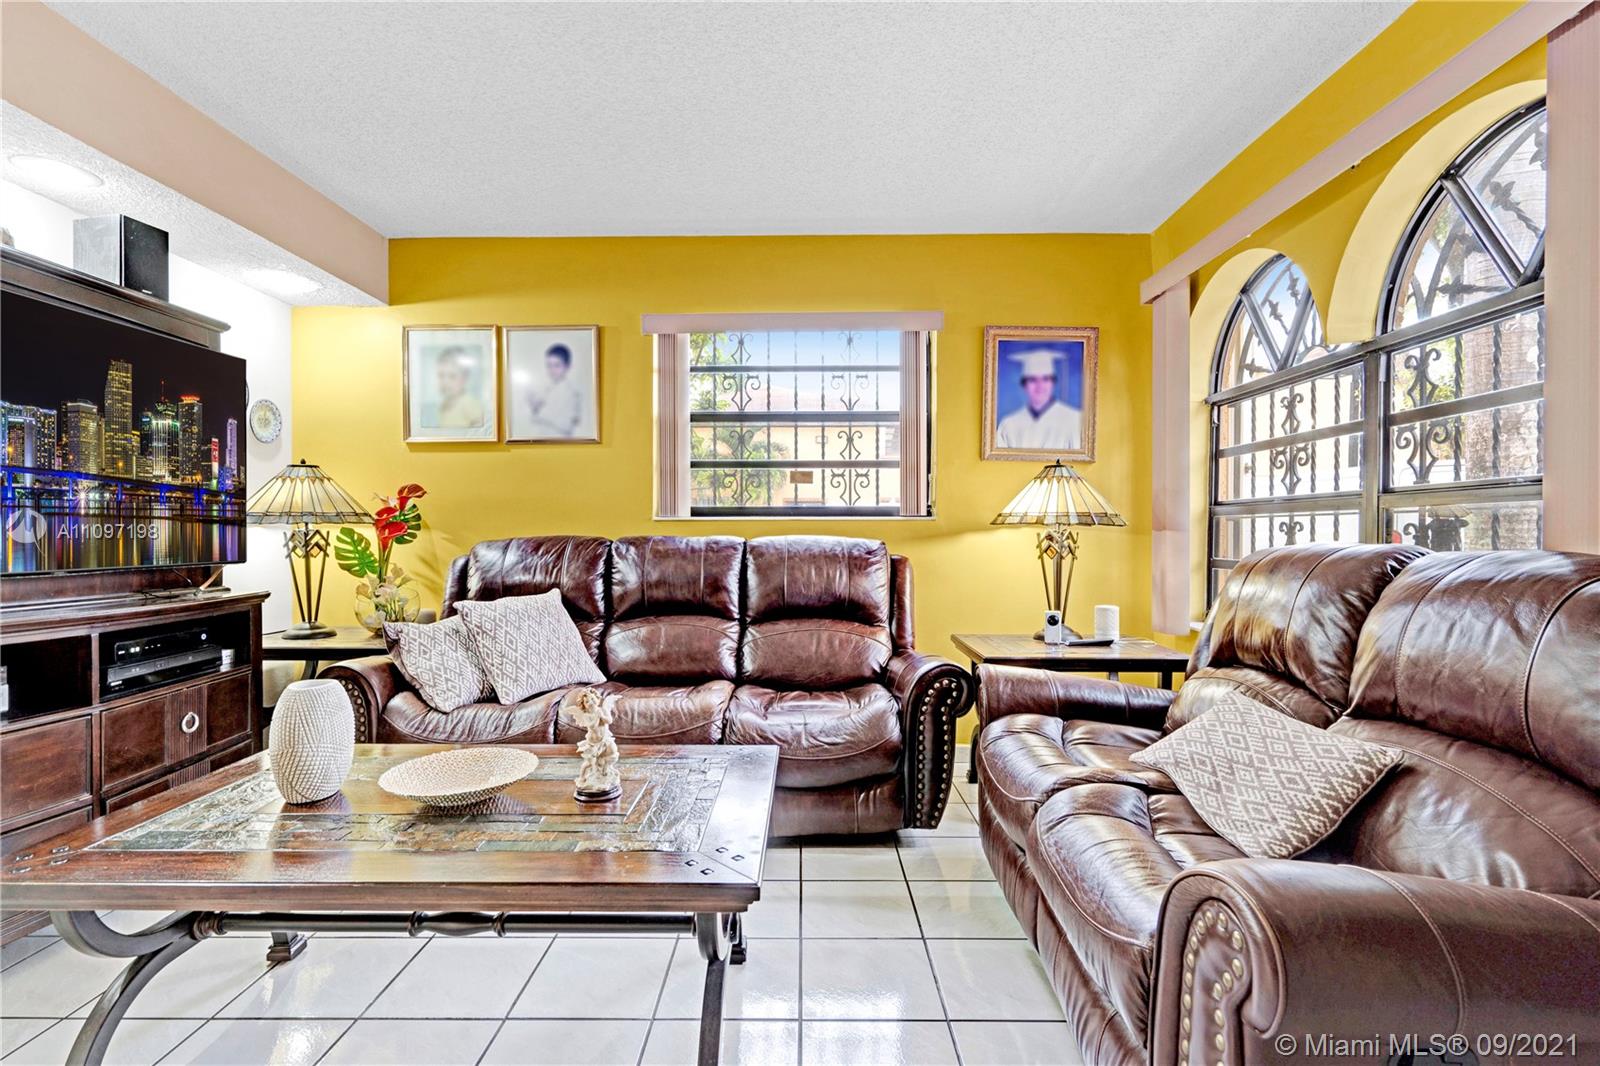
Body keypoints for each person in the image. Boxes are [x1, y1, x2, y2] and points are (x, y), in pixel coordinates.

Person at [995, 348, 1081, 451]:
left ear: (1053, 383)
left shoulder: (1075, 420)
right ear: (1024, 385)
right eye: (1032, 380)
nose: (1039, 385)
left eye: (1045, 379)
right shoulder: (1008, 425)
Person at [524, 343, 584, 438]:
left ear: (567, 367)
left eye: (557, 365)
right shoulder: (548, 388)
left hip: (561, 440)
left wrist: (538, 410)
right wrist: (534, 406)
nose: (552, 370)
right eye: (549, 365)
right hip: (542, 438)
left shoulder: (572, 393)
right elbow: (534, 418)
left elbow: (567, 424)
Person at [429, 345, 486, 429]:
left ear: (464, 379)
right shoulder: (445, 403)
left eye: (452, 376)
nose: (445, 382)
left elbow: (481, 429)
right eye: (441, 375)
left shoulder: (469, 403)